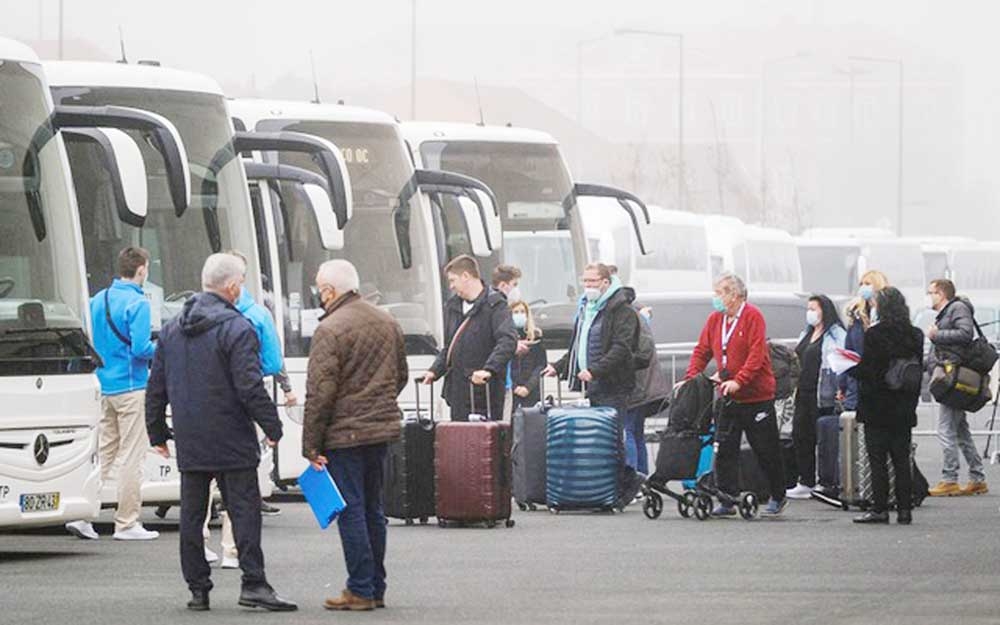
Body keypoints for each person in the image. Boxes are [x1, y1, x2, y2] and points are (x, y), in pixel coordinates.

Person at [146, 253, 295, 612]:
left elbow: (156, 387)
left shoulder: (171, 329)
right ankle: (253, 584)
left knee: (192, 515)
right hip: (231, 435)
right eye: (241, 282)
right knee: (243, 511)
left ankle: (198, 589)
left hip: (190, 434)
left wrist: (157, 433)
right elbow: (249, 386)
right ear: (232, 286)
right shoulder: (236, 327)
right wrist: (272, 426)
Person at [302, 260, 408, 611]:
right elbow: (401, 375)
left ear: (330, 291)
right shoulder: (387, 320)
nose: (319, 293)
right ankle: (376, 586)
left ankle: (360, 588)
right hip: (381, 431)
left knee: (351, 510)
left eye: (320, 287)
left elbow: (320, 393)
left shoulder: (330, 329)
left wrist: (311, 445)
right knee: (375, 509)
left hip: (344, 434)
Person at [203, 252, 298, 569]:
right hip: (241, 408)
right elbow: (272, 362)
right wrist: (276, 415)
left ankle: (200, 541)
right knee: (240, 481)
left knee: (203, 480)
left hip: (207, 405)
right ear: (237, 282)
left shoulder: (196, 315)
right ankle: (231, 550)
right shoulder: (256, 315)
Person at [66, 247, 159, 541]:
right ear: (141, 270)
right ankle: (127, 522)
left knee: (104, 452)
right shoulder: (139, 303)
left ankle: (82, 515)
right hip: (132, 387)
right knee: (133, 456)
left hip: (102, 385)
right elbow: (142, 348)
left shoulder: (97, 300)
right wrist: (166, 349)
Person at [683, 273, 788, 516]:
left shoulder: (752, 316)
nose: (716, 298)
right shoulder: (715, 320)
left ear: (736, 295)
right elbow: (702, 350)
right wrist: (691, 378)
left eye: (720, 292)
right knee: (725, 448)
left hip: (756, 395)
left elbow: (757, 353)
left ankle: (778, 493)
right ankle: (728, 497)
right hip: (728, 396)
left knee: (765, 448)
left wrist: (740, 381)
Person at [542, 262, 646, 507]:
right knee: (598, 438)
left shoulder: (622, 311)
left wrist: (595, 371)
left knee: (613, 437)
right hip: (594, 385)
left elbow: (621, 348)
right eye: (585, 281)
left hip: (614, 383)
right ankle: (604, 486)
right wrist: (558, 366)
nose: (587, 286)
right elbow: (577, 346)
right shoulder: (588, 309)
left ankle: (627, 483)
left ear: (605, 283)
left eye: (592, 281)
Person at [847, 287, 922, 525]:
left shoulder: (875, 335)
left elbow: (870, 371)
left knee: (877, 459)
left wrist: (850, 367)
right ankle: (904, 510)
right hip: (904, 405)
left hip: (877, 406)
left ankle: (879, 508)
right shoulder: (915, 335)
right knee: (902, 460)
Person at [423, 255, 517, 421]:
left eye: (453, 280)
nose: (451, 286)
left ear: (466, 276)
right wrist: (434, 370)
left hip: (485, 392)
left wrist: (489, 369)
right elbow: (451, 346)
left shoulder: (495, 305)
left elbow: (507, 341)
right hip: (458, 392)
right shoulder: (452, 306)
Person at [926, 279, 988, 497]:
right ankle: (977, 477)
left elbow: (965, 333)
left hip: (953, 376)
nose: (929, 296)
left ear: (941, 293)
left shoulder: (957, 308)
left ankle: (949, 478)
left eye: (931, 292)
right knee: (961, 430)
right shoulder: (950, 311)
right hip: (950, 374)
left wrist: (936, 335)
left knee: (945, 428)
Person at [786, 295, 845, 499]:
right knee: (801, 435)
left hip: (823, 392)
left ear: (824, 310)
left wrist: (841, 387)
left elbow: (841, 362)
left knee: (823, 437)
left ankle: (826, 481)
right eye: (808, 308)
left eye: (814, 308)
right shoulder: (807, 333)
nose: (810, 312)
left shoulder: (836, 335)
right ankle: (806, 480)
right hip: (803, 391)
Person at [624, 302, 668, 475]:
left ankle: (633, 479)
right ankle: (641, 477)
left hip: (635, 387)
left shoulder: (632, 322)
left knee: (627, 431)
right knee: (636, 432)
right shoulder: (641, 322)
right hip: (644, 388)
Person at [508, 300, 547, 410]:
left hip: (532, 391)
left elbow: (541, 365)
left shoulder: (536, 336)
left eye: (522, 312)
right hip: (511, 391)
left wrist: (528, 387)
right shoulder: (505, 337)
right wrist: (514, 387)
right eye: (515, 312)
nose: (519, 315)